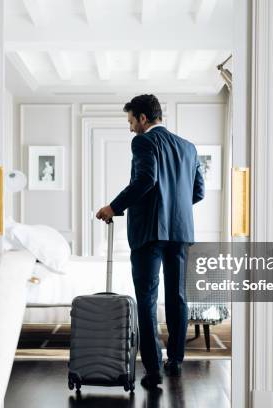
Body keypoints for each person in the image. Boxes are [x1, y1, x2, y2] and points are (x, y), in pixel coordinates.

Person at [96, 94, 205, 390]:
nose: (131, 128)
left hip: (149, 233)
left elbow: (145, 180)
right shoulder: (189, 148)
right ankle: (176, 362)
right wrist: (175, 208)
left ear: (143, 118)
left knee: (146, 298)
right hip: (181, 233)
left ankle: (154, 370)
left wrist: (113, 207)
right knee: (178, 297)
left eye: (131, 121)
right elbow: (198, 192)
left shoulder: (143, 142)